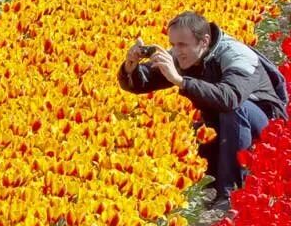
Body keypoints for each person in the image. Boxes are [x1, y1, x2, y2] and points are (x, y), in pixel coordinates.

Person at [118, 12, 287, 206]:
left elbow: (229, 98)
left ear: (204, 41)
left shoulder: (237, 55)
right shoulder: (185, 54)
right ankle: (207, 182)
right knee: (188, 132)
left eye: (182, 45)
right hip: (226, 124)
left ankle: (229, 193)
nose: (176, 51)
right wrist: (131, 67)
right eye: (173, 44)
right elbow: (144, 81)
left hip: (266, 126)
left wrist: (181, 81)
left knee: (234, 109)